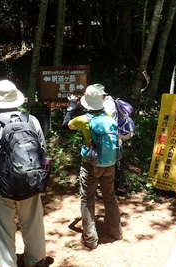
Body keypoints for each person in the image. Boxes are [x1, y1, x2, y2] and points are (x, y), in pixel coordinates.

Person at [0, 80, 49, 267]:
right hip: (31, 179)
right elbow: (43, 151)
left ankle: (8, 263)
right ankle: (36, 259)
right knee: (33, 221)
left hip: (1, 185)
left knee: (3, 228)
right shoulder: (31, 120)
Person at [63, 84, 122, 249]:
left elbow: (66, 125)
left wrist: (72, 107)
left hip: (90, 164)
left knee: (87, 199)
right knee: (109, 197)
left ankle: (90, 239)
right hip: (110, 164)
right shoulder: (110, 116)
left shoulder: (83, 120)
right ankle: (115, 231)